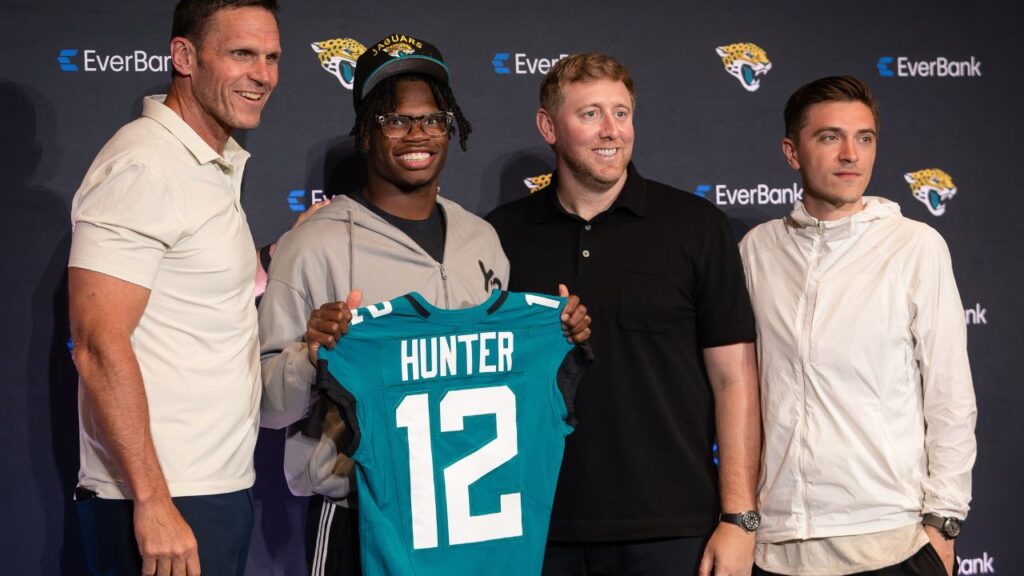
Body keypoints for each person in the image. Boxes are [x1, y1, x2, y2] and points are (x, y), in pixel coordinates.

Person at [257, 34, 592, 576]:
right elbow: (267, 408)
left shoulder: (481, 238)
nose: (418, 134)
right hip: (360, 515)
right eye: (396, 120)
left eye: (433, 119)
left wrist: (560, 336)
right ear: (365, 131)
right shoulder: (314, 245)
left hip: (473, 519)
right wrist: (311, 355)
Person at [486, 52, 761, 576]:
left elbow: (735, 379)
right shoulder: (499, 235)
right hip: (538, 526)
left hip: (673, 527)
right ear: (549, 126)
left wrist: (739, 517)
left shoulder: (696, 225)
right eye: (590, 114)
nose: (611, 130)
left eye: (621, 113)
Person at [68, 1, 280, 575]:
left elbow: (190, 286)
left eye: (271, 57)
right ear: (184, 57)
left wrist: (274, 257)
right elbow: (97, 344)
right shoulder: (145, 165)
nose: (262, 74)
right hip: (163, 499)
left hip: (211, 487)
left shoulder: (205, 163)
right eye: (242, 54)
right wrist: (154, 503)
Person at [739, 76, 977, 576]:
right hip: (778, 545)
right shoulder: (756, 250)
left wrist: (944, 520)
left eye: (864, 138)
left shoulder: (915, 246)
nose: (850, 154)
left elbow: (950, 394)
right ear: (792, 152)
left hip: (892, 540)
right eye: (830, 137)